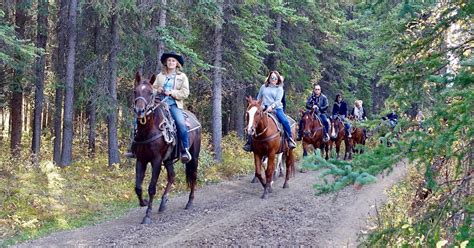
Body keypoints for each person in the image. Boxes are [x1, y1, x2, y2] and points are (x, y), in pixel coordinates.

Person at [243, 71, 297, 151]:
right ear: (269, 78)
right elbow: (259, 98)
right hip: (263, 108)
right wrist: (258, 106)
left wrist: (272, 107)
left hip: (276, 108)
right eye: (272, 77)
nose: (273, 79)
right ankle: (249, 142)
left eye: (275, 78)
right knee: (253, 121)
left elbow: (278, 100)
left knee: (285, 121)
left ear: (278, 79)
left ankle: (289, 140)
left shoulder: (279, 88)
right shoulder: (263, 87)